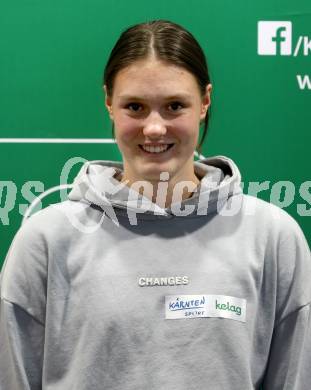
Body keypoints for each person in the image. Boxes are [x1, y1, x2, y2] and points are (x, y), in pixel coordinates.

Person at [0, 19, 310, 390]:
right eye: (135, 107)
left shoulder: (272, 237)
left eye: (174, 106)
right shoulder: (46, 241)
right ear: (109, 104)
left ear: (205, 102)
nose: (154, 128)